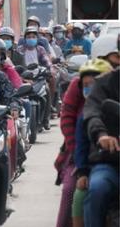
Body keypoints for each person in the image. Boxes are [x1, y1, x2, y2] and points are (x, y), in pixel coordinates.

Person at [54, 59, 113, 227]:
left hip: (112, 162)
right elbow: (73, 130)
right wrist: (82, 170)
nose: (90, 88)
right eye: (86, 85)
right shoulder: (85, 115)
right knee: (74, 192)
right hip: (86, 160)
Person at [82, 66, 119, 227]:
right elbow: (92, 114)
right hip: (110, 160)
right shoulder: (104, 83)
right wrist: (102, 135)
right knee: (97, 189)